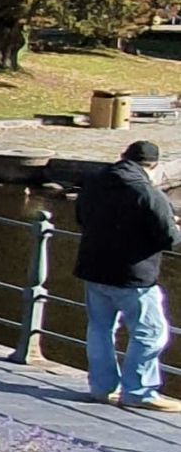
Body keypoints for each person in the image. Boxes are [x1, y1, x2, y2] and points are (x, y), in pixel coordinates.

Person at [73, 139, 178, 411]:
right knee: (151, 332)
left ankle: (101, 387)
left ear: (123, 157)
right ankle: (139, 391)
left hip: (94, 269)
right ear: (153, 166)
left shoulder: (95, 182)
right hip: (133, 276)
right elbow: (169, 238)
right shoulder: (148, 193)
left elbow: (81, 217)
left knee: (99, 328)